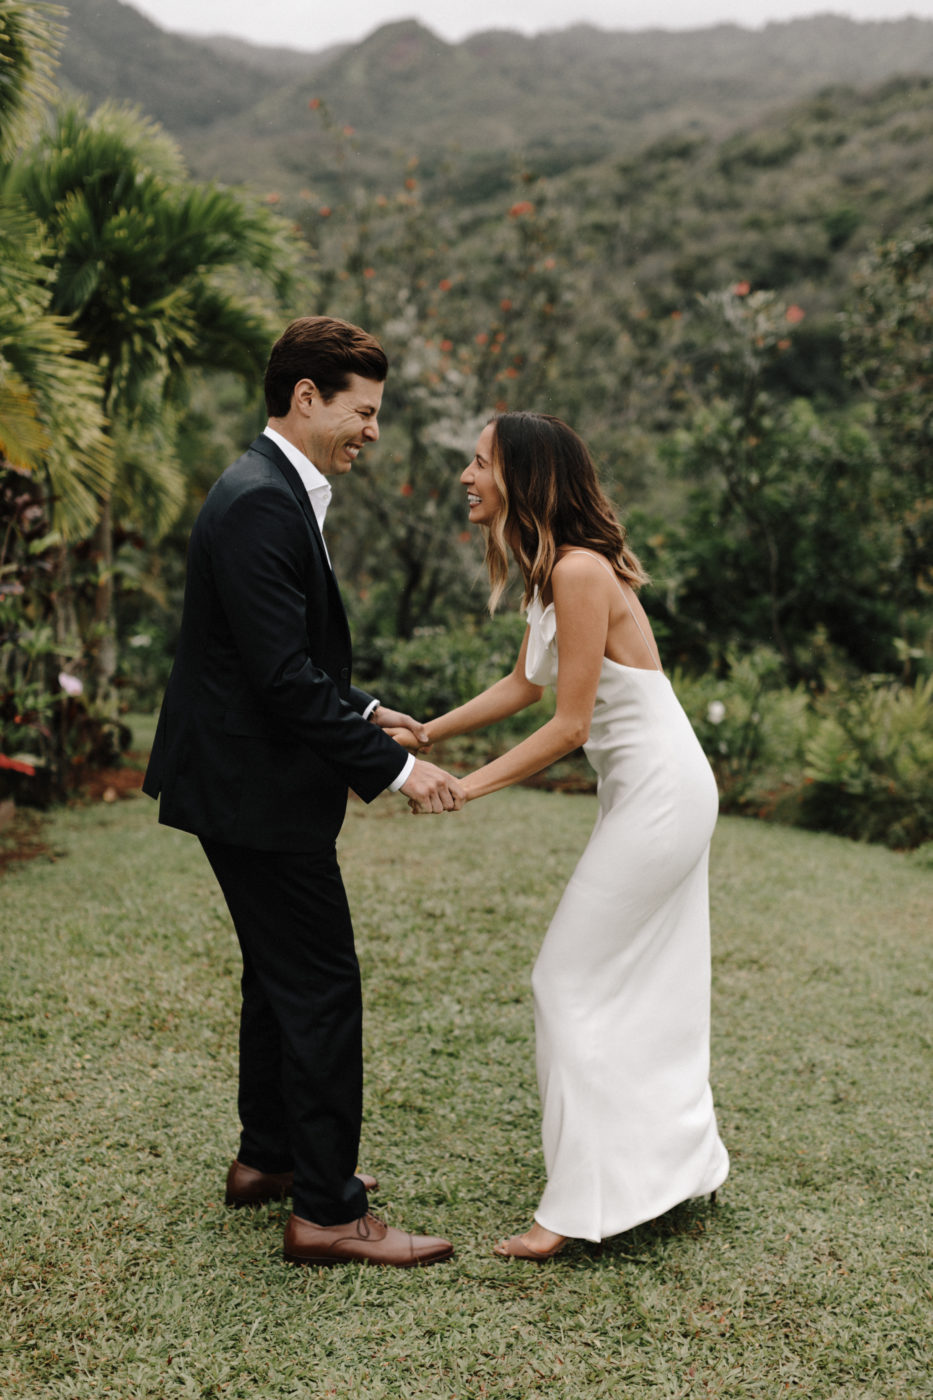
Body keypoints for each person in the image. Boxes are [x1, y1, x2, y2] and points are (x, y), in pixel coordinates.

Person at [143, 315, 464, 1268]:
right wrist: (397, 769)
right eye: (362, 412)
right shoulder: (259, 500)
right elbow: (281, 679)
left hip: (245, 780)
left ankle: (269, 1158)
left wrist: (364, 710)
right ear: (306, 397)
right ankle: (327, 1211)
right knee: (320, 986)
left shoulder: (274, 489)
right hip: (254, 788)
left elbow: (278, 655)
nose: (373, 431)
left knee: (277, 975)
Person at [407, 412, 729, 1258]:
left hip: (661, 792)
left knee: (564, 979)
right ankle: (671, 1163)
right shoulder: (551, 573)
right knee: (627, 984)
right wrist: (426, 733)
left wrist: (462, 788)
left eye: (480, 462)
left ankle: (576, 1208)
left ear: (525, 476)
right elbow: (523, 683)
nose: (466, 476)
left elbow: (569, 724)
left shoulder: (580, 570)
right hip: (645, 791)